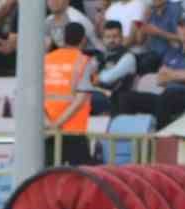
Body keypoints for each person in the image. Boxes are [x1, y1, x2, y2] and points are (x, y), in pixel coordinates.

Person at [118, 11, 185, 128]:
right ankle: (128, 139)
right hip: (168, 96)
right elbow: (160, 80)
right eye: (181, 26)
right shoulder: (172, 52)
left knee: (166, 97)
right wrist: (182, 77)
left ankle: (161, 140)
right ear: (177, 29)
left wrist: (173, 75)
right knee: (126, 98)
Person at [42, 22, 93, 166]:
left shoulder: (46, 60)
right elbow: (80, 99)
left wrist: (50, 124)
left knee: (48, 177)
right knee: (83, 179)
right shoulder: (83, 61)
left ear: (63, 38)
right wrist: (58, 124)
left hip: (48, 131)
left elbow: (36, 97)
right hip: (74, 130)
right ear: (83, 40)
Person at [87, 18, 135, 116]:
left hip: (116, 99)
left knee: (85, 98)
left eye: (115, 36)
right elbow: (85, 72)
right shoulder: (100, 56)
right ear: (103, 39)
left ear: (122, 37)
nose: (111, 40)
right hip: (98, 94)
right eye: (108, 37)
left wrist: (95, 77)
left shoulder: (128, 57)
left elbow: (107, 78)